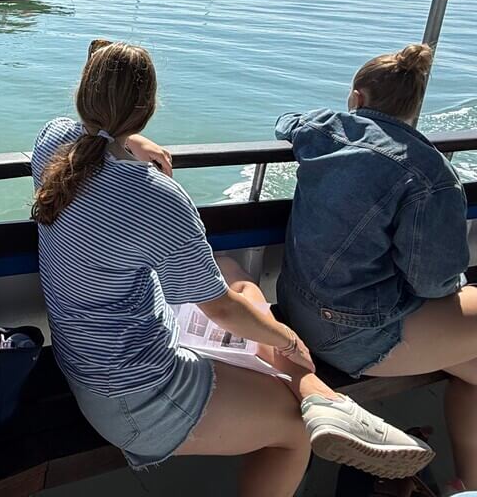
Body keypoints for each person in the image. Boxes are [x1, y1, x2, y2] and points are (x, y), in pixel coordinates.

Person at [31, 40, 431, 497]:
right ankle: (317, 397)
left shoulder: (52, 146)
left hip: (85, 360)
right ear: (149, 108)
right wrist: (288, 337)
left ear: (83, 93)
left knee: (234, 275)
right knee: (292, 431)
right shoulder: (157, 197)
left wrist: (126, 139)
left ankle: (319, 394)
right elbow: (219, 310)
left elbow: (86, 134)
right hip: (134, 397)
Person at [275, 43, 476, 489]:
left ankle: (466, 481)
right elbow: (435, 283)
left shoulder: (320, 129)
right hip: (354, 334)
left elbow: (285, 122)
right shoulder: (431, 175)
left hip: (295, 306)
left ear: (357, 98)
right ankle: (463, 482)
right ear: (415, 105)